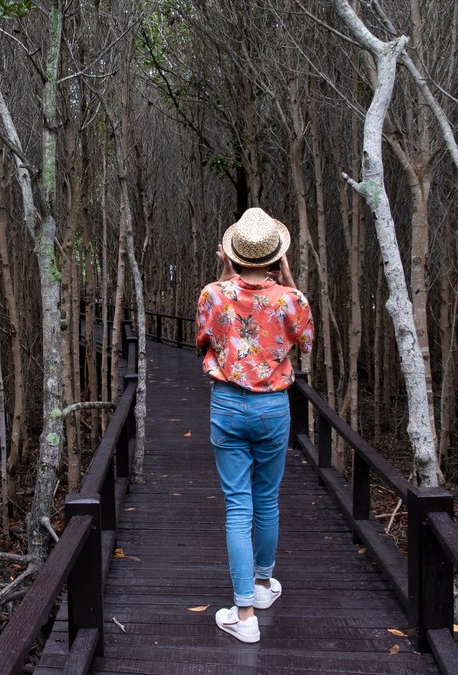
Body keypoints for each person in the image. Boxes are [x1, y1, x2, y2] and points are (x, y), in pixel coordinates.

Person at [195, 208, 314, 643]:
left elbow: (203, 340)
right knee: (266, 499)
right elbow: (306, 338)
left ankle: (245, 613)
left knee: (238, 506)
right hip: (273, 408)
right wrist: (290, 282)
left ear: (231, 253)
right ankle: (263, 586)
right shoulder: (290, 299)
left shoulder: (212, 293)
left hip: (227, 404)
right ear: (277, 256)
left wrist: (226, 279)